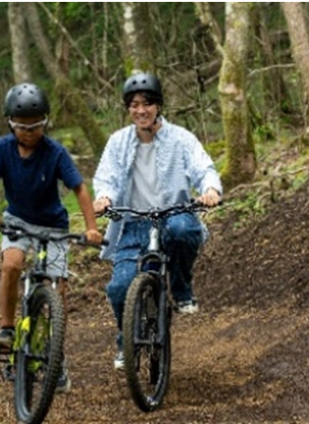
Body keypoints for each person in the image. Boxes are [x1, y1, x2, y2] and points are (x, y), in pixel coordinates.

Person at [91, 72, 223, 370]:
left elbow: (203, 168)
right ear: (128, 108)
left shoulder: (181, 138)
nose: (141, 110)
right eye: (134, 105)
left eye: (147, 103)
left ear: (159, 106)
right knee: (118, 288)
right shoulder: (117, 142)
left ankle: (180, 288)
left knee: (182, 229)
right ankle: (126, 337)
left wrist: (210, 190)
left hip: (172, 214)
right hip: (131, 224)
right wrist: (104, 198)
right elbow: (106, 178)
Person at [0, 83, 102, 392]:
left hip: (54, 225)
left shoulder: (55, 152)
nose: (29, 132)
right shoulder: (2, 149)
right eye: (22, 127)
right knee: (11, 264)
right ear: (10, 123)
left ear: (45, 122)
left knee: (57, 288)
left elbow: (79, 188)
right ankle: (7, 329)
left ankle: (55, 354)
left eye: (36, 126)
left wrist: (91, 227)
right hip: (18, 220)